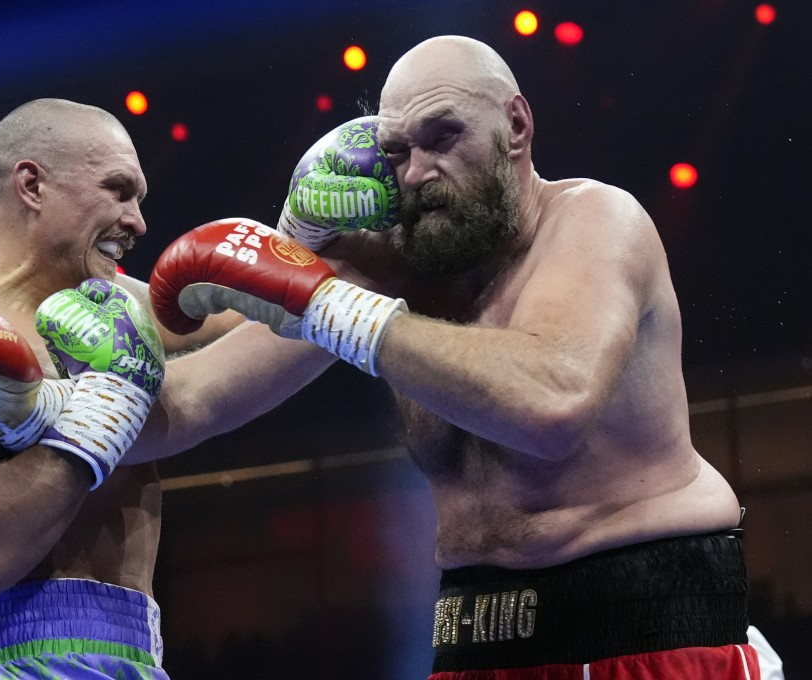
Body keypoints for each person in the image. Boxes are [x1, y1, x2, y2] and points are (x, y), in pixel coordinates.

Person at [150, 35, 761, 678]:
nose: (415, 173)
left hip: (647, 635)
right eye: (397, 151)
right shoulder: (384, 267)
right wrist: (53, 408)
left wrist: (326, 304)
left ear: (517, 126)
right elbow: (194, 401)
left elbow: (550, 405)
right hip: (469, 641)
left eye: (441, 137)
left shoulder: (595, 221)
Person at [0, 98, 336, 680]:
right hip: (11, 659)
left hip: (137, 650)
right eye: (118, 191)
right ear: (32, 185)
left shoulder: (118, 305)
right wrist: (99, 415)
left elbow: (281, 325)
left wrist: (318, 242)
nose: (138, 221)